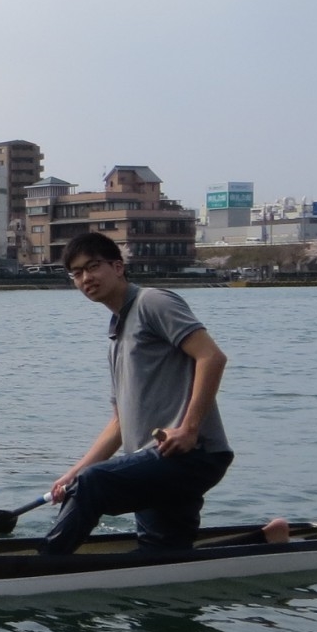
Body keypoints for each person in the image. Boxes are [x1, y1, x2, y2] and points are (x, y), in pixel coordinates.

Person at [41, 232, 232, 554]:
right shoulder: (116, 338)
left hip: (191, 454)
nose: (86, 278)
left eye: (93, 266)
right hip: (155, 464)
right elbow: (119, 423)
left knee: (94, 483)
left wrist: (189, 429)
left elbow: (211, 357)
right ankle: (270, 541)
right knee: (163, 555)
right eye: (76, 273)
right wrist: (73, 473)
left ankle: (45, 564)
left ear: (118, 267)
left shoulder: (152, 302)